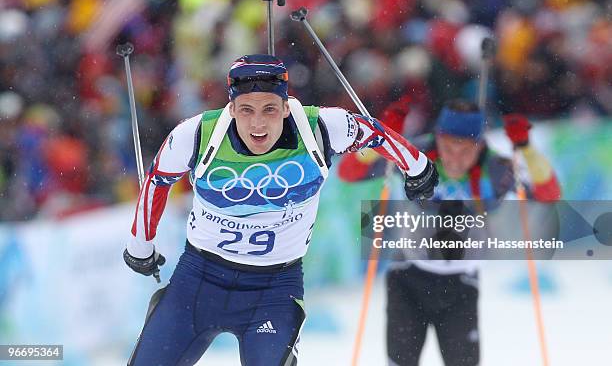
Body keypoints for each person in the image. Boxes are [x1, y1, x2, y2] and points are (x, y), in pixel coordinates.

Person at [122, 54, 439, 366]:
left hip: (273, 290)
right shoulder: (196, 135)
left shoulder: (320, 128)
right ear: (231, 108)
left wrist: (418, 167)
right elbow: (156, 180)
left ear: (286, 107)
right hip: (197, 282)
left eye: (269, 109)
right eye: (246, 110)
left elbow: (376, 133)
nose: (257, 123)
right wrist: (140, 247)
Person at [339, 99, 561, 366]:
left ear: (479, 145)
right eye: (448, 148)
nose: (455, 159)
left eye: (465, 150)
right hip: (407, 277)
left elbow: (549, 193)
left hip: (460, 285)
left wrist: (525, 148)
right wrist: (381, 137)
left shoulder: (497, 169)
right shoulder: (415, 154)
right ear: (438, 138)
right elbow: (349, 173)